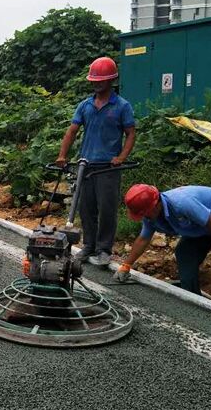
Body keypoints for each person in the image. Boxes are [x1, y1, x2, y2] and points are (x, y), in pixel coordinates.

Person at [114, 184, 211, 315]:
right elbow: (143, 239)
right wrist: (127, 265)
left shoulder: (182, 203)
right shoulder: (151, 215)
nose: (144, 217)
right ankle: (192, 300)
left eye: (145, 213)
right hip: (201, 225)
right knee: (184, 253)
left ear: (155, 206)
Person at [55, 56, 136, 266]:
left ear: (111, 81)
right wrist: (62, 155)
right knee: (85, 208)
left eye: (100, 80)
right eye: (93, 80)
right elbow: (72, 131)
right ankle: (89, 245)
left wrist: (122, 157)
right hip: (85, 165)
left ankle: (103, 249)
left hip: (108, 167)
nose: (96, 83)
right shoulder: (86, 105)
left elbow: (130, 134)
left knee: (107, 209)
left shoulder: (122, 106)